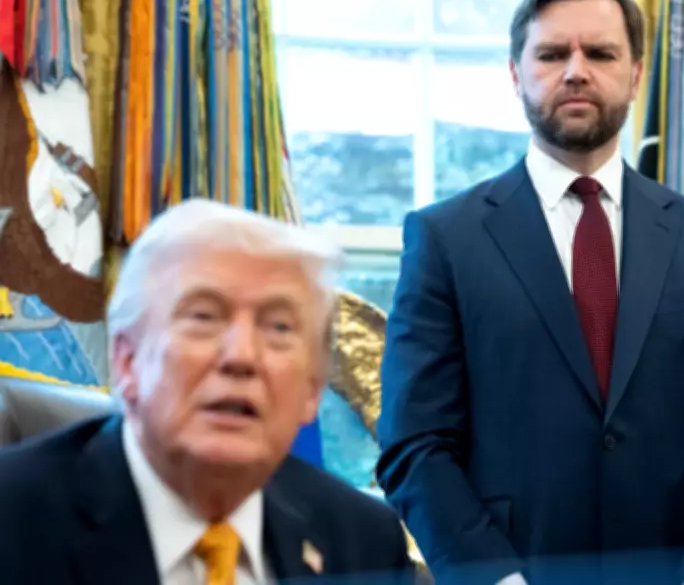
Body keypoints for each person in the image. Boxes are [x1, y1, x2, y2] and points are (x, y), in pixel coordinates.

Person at [377, 0, 684, 585]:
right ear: (515, 74)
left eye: (599, 53)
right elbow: (415, 443)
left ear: (636, 74)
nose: (575, 71)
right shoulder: (444, 239)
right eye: (550, 54)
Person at [0, 199, 415, 584]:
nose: (242, 355)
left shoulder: (364, 542)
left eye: (279, 327)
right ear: (126, 361)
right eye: (203, 317)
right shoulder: (14, 520)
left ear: (312, 389)